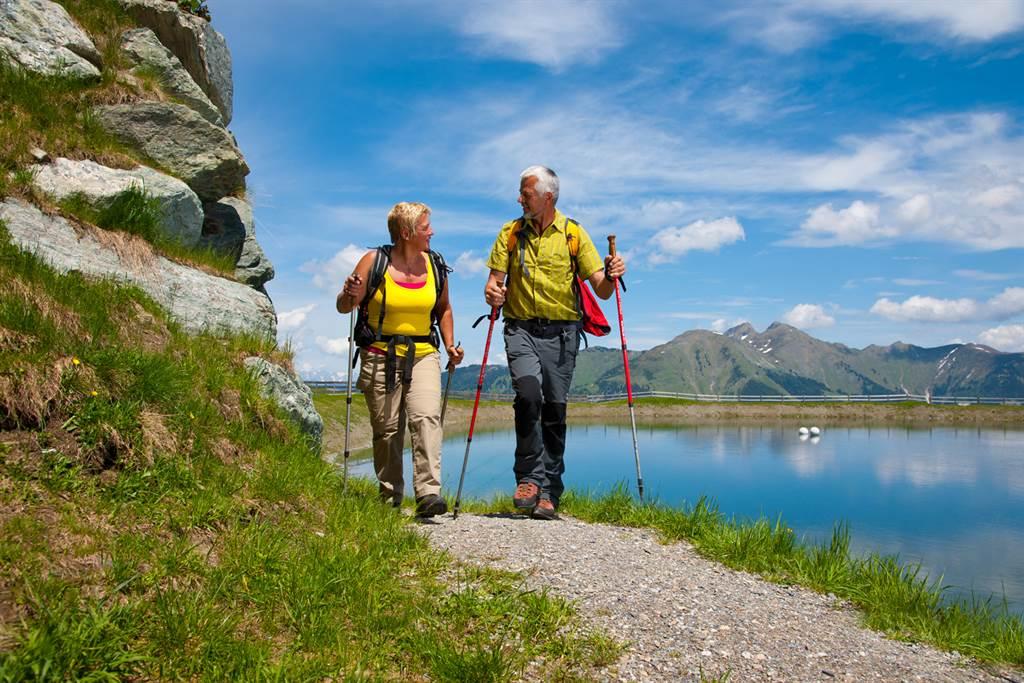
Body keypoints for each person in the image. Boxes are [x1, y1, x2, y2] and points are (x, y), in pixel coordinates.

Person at [483, 166, 626, 520]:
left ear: (548, 197)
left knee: (554, 410)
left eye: (526, 193)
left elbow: (603, 291)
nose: (520, 199)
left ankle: (549, 490)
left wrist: (611, 273)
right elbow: (493, 282)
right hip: (520, 329)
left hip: (562, 334)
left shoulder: (573, 234)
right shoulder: (511, 233)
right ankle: (529, 479)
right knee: (529, 395)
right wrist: (492, 292)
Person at [337, 202, 464, 517]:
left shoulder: (435, 264)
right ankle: (391, 497)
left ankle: (428, 494)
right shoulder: (373, 261)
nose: (431, 232)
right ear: (406, 233)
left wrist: (449, 345)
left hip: (423, 354)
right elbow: (344, 306)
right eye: (425, 227)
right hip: (379, 353)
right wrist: (349, 293)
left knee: (426, 418)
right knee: (388, 430)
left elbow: (444, 308)